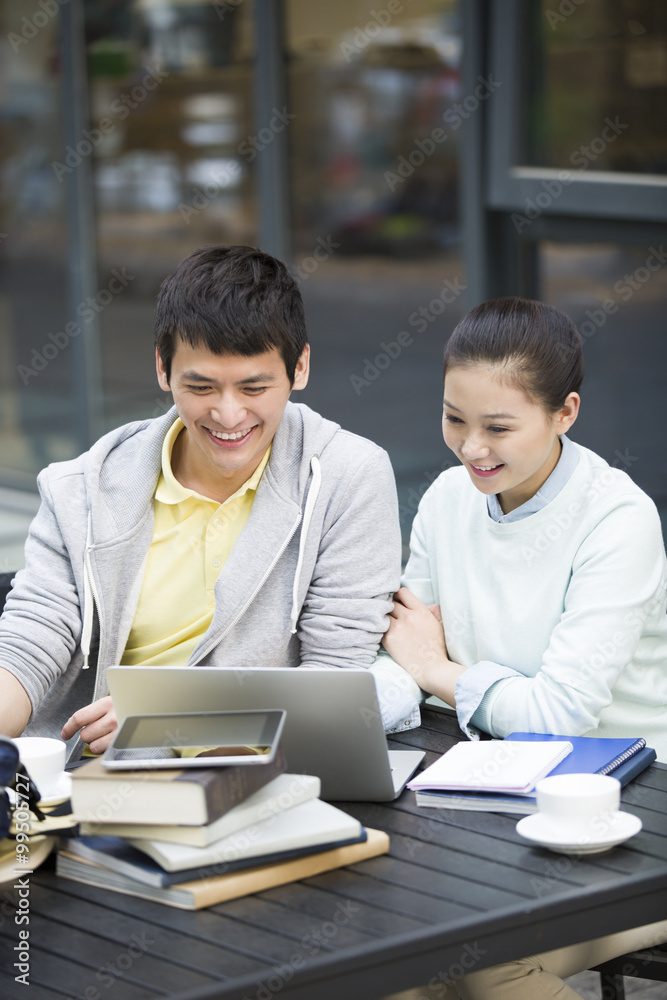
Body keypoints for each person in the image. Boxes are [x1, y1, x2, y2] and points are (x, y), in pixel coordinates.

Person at [0, 244, 414, 760]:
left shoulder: (348, 477)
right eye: (200, 386)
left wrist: (173, 719)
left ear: (300, 367)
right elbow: (28, 644)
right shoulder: (81, 486)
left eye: (254, 386)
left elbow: (334, 681)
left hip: (251, 769)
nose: (227, 414)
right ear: (162, 369)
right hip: (87, 769)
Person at [380, 295, 667, 1000]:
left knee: (480, 960)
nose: (471, 447)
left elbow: (559, 713)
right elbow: (402, 652)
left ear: (564, 412)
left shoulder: (615, 518)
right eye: (454, 419)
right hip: (498, 787)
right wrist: (334, 711)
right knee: (393, 960)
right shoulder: (449, 498)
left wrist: (436, 670)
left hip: (628, 807)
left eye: (497, 427)